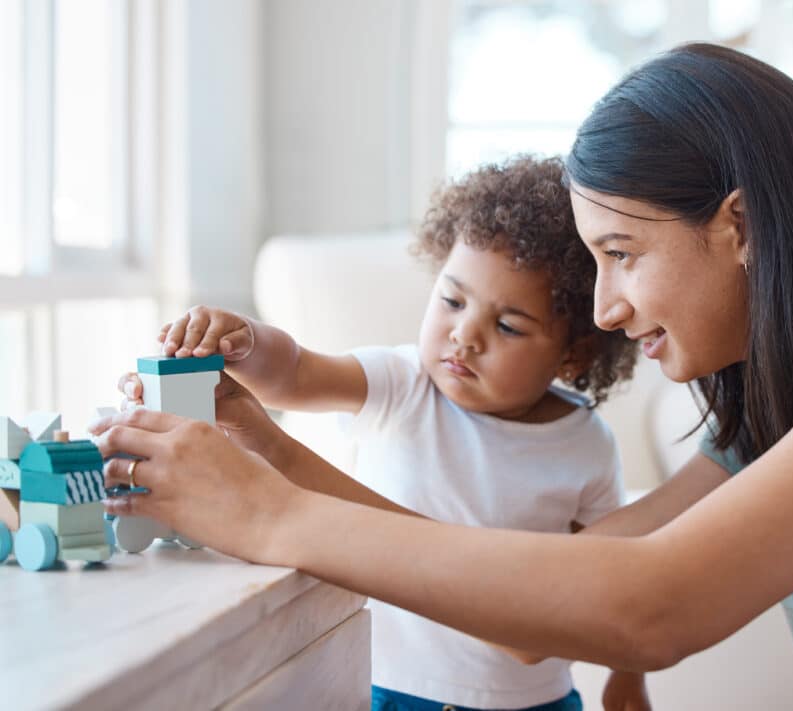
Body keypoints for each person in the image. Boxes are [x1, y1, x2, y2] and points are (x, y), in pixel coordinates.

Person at [91, 42, 793, 710]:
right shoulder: (772, 427)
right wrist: (270, 451)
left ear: (738, 226)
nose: (608, 307)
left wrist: (269, 513)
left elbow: (651, 605)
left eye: (621, 252)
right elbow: (537, 614)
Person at [115, 157, 647, 711]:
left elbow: (611, 576)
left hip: (535, 702)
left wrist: (628, 676)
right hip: (394, 687)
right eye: (452, 301)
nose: (463, 336)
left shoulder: (586, 445)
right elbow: (295, 373)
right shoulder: (403, 382)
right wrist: (245, 341)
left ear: (575, 353)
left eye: (508, 325)